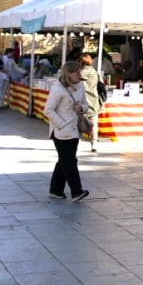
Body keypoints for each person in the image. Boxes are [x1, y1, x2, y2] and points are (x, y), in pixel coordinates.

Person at [44, 61, 90, 201]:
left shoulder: (80, 86)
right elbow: (48, 110)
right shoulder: (58, 88)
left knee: (64, 160)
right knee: (69, 160)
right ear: (68, 73)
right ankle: (76, 191)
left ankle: (56, 190)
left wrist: (81, 108)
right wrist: (61, 124)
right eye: (76, 72)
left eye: (79, 72)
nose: (79, 74)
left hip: (75, 129)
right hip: (61, 131)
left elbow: (86, 105)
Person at [79, 52, 104, 153]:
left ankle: (76, 142)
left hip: (82, 101)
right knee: (94, 124)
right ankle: (94, 144)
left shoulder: (79, 73)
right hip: (94, 100)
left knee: (78, 123)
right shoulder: (95, 72)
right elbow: (101, 86)